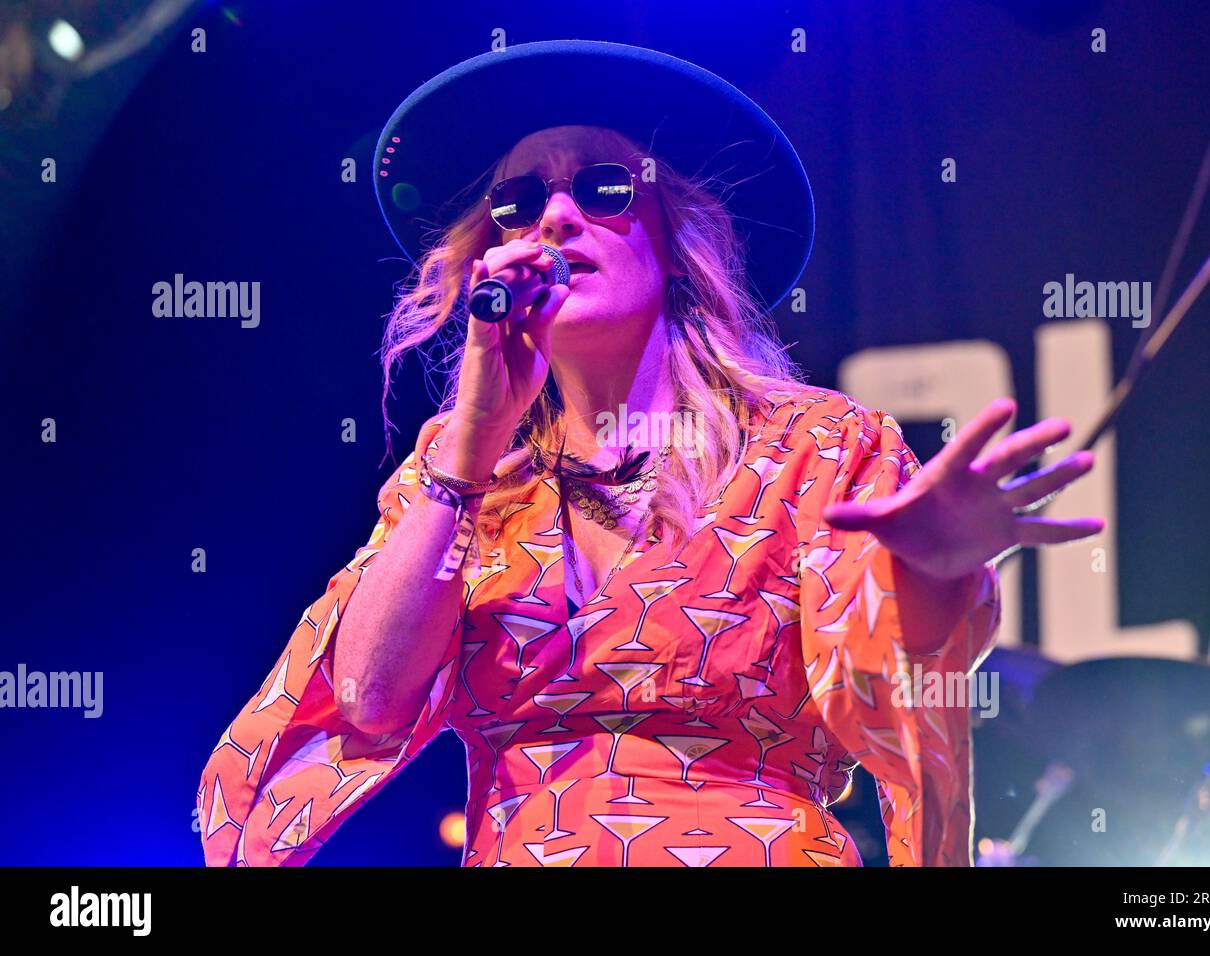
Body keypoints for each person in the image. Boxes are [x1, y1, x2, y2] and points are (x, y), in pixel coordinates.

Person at [196, 40, 1102, 867]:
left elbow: (882, 679)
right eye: (516, 202)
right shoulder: (466, 475)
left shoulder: (815, 446)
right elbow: (369, 698)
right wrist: (470, 442)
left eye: (602, 188)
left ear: (678, 236)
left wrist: (928, 575)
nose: (553, 217)